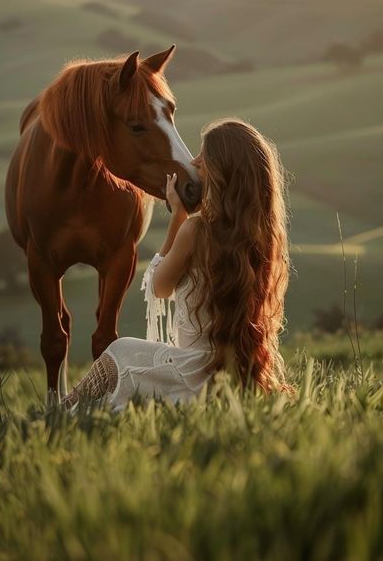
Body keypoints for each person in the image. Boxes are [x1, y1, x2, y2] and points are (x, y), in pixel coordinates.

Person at [62, 118, 296, 411]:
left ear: (221, 170)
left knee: (120, 351)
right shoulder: (266, 239)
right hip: (236, 375)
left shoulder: (196, 231)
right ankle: (68, 410)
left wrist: (177, 216)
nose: (195, 162)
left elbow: (159, 286)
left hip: (194, 374)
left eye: (204, 156)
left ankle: (60, 413)